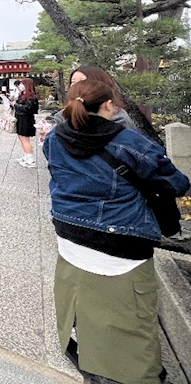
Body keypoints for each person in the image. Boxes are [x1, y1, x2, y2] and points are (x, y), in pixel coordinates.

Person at [43, 80, 189, 384]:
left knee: (84, 301)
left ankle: (88, 357)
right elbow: (175, 183)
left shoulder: (55, 137)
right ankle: (134, 372)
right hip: (119, 240)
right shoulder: (129, 141)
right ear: (109, 104)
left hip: (68, 234)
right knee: (133, 314)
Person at [14, 77, 39, 167]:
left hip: (26, 120)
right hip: (21, 119)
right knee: (22, 139)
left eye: (22, 84)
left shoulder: (31, 97)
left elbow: (28, 109)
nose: (20, 85)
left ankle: (30, 160)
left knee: (25, 140)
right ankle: (26, 157)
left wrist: (15, 105)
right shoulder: (23, 95)